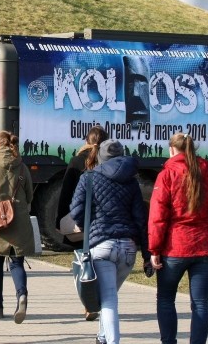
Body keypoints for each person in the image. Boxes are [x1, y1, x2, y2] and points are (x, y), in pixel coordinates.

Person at [148, 132, 208, 344]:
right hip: (206, 247)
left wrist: (154, 250)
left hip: (174, 248)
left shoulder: (166, 175)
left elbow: (158, 216)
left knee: (166, 299)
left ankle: (169, 341)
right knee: (201, 303)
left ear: (172, 150)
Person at [69, 139, 149, 344]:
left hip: (102, 246)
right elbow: (141, 219)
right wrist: (147, 255)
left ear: (101, 156)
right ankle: (102, 337)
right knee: (109, 295)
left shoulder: (89, 178)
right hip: (128, 248)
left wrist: (85, 225)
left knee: (109, 300)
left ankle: (112, 341)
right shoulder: (132, 182)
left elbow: (76, 211)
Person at [56, 125, 108, 321]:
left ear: (86, 140)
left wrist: (60, 218)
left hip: (81, 222)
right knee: (101, 266)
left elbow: (66, 192)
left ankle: (88, 305)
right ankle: (99, 301)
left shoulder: (77, 161)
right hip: (103, 222)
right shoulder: (108, 161)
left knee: (82, 265)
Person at [0, 131, 34, 324]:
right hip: (18, 219)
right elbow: (30, 196)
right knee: (16, 262)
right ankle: (21, 295)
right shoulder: (21, 165)